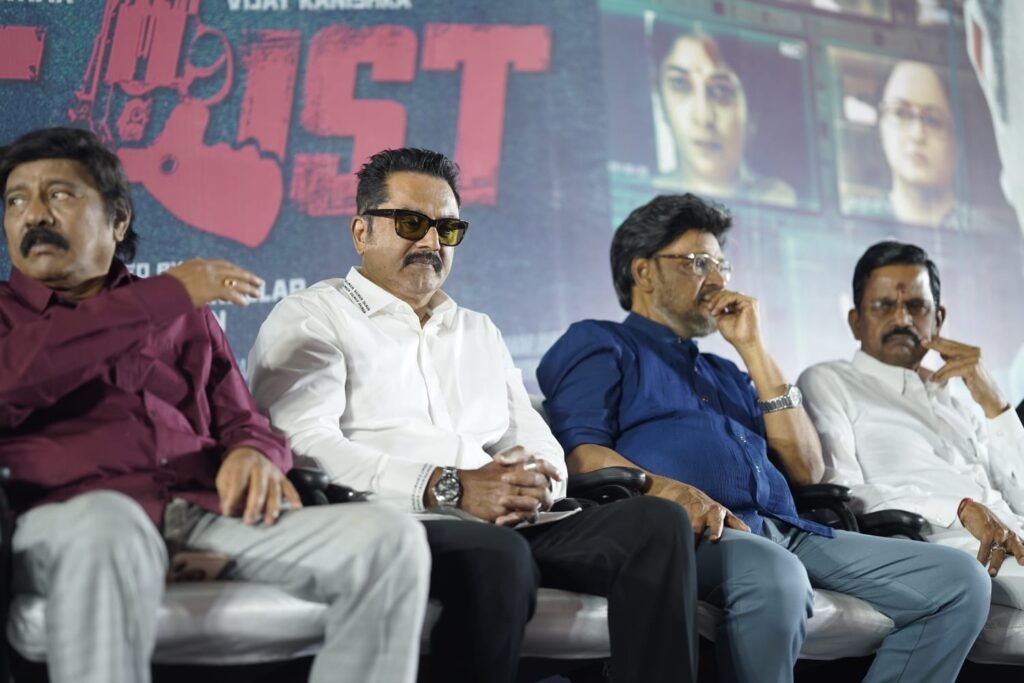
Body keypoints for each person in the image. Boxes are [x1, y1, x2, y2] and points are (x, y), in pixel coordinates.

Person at [248, 147, 699, 683]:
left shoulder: (478, 330)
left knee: (655, 522)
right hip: (395, 521)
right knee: (499, 556)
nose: (430, 243)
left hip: (503, 521)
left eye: (447, 229)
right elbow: (302, 446)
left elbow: (532, 436)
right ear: (362, 232)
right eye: (411, 224)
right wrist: (446, 486)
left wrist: (532, 486)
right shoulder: (313, 316)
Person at [0, 127, 431, 683]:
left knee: (389, 540)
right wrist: (162, 297)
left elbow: (242, 420)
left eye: (59, 194)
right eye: (16, 201)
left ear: (118, 220)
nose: (34, 214)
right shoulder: (24, 313)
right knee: (110, 524)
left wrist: (254, 454)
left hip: (200, 512)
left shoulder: (184, 314)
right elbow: (16, 378)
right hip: (72, 520)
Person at [537, 194, 991, 683]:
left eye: (721, 264)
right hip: (693, 535)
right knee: (777, 576)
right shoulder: (601, 342)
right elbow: (579, 454)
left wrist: (753, 348)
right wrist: (666, 490)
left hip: (787, 529)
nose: (717, 278)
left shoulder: (726, 371)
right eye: (698, 262)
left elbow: (806, 470)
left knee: (960, 581)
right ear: (644, 272)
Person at [798, 241, 1024, 609]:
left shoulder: (956, 403)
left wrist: (995, 407)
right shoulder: (828, 382)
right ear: (856, 321)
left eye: (916, 306)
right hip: (947, 555)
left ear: (939, 319)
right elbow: (839, 496)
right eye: (883, 306)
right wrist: (957, 509)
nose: (902, 319)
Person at [653, 28, 797, 207]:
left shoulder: (780, 203)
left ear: (752, 109)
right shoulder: (644, 204)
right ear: (660, 98)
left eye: (721, 91)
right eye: (680, 84)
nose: (703, 117)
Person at [848, 61, 958, 227]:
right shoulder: (854, 220)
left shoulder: (981, 230)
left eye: (933, 120)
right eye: (900, 113)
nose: (917, 135)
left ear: (955, 141)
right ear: (881, 129)